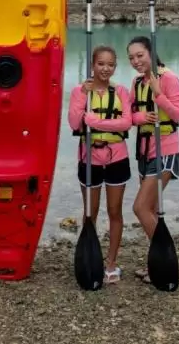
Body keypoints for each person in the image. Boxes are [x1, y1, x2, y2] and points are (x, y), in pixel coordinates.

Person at [67, 44, 134, 284]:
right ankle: (90, 256)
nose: (105, 69)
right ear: (93, 65)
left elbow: (126, 123)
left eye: (111, 64)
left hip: (117, 158)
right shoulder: (80, 91)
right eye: (100, 64)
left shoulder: (122, 92)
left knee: (115, 211)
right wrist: (82, 99)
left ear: (115, 67)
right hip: (89, 159)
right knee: (90, 213)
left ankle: (112, 262)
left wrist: (94, 120)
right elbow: (75, 124)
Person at [125, 35, 179, 284]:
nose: (136, 61)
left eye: (140, 55)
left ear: (151, 52)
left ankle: (166, 259)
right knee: (149, 210)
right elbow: (128, 114)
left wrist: (159, 94)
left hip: (166, 150)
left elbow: (177, 114)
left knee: (139, 207)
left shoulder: (167, 78)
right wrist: (139, 118)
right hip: (144, 150)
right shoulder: (137, 82)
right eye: (131, 58)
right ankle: (156, 262)